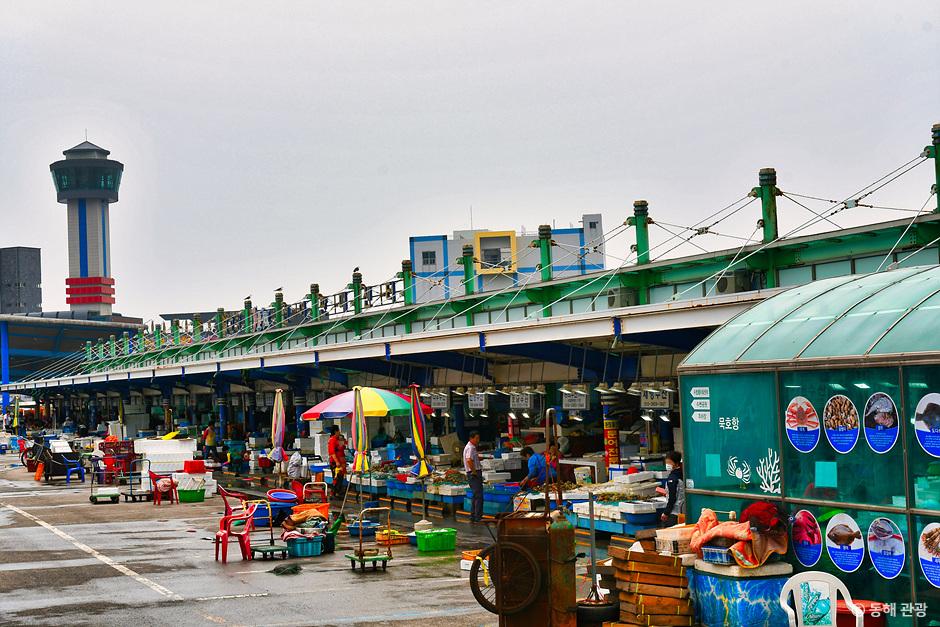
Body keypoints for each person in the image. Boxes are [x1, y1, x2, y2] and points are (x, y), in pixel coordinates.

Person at [660, 451, 685, 526]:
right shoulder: (681, 474)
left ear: (676, 463)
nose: (667, 465)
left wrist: (666, 513)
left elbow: (672, 498)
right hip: (681, 510)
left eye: (669, 463)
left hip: (674, 513)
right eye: (666, 463)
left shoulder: (673, 478)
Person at [463, 431, 483, 523]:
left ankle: (473, 516)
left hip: (473, 472)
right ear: (471, 438)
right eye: (477, 438)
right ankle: (477, 517)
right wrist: (474, 471)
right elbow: (469, 460)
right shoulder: (470, 447)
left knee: (475, 496)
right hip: (473, 473)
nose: (478, 440)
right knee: (478, 496)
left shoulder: (470, 447)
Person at [329, 433, 347, 498]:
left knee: (340, 479)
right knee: (336, 479)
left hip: (342, 465)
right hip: (336, 465)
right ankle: (333, 493)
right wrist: (337, 462)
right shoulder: (335, 447)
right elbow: (332, 454)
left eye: (342, 440)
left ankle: (338, 493)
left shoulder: (342, 448)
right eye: (340, 440)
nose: (342, 442)